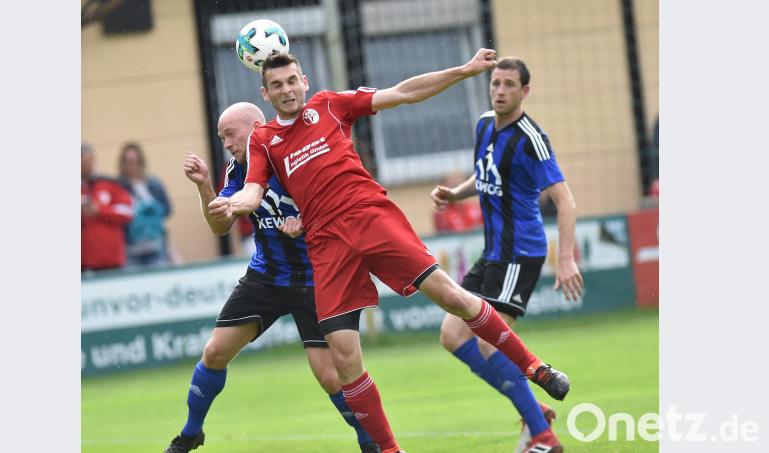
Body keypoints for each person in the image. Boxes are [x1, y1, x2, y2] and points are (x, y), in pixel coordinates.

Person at [218, 49, 570, 453]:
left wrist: (465, 70)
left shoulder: (330, 105)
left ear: (304, 81)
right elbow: (252, 189)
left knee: (450, 295)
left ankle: (534, 367)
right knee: (344, 355)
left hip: (369, 216)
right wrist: (235, 204)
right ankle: (390, 450)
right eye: (277, 85)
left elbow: (402, 92)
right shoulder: (264, 139)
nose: (286, 90)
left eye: (292, 81)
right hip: (327, 243)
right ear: (266, 93)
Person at [163, 103, 376, 453]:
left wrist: (306, 223)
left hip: (316, 277)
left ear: (257, 125)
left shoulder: (295, 157)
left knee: (329, 375)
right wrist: (204, 187)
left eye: (230, 134)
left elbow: (338, 203)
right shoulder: (237, 171)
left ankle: (370, 442)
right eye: (221, 137)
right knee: (215, 351)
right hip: (267, 276)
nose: (226, 143)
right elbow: (221, 225)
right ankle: (191, 433)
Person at [430, 57, 583, 453]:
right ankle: (535, 411)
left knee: (488, 343)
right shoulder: (484, 124)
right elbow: (484, 177)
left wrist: (565, 258)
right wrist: (455, 193)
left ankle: (543, 436)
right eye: (495, 83)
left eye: (509, 85)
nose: (500, 91)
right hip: (493, 253)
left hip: (520, 254)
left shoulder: (531, 138)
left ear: (524, 91)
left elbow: (565, 201)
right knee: (451, 334)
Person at [118, 141, 173, 267]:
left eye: (135, 161)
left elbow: (167, 209)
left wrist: (150, 210)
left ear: (141, 161)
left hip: (155, 245)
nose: (133, 166)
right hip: (131, 248)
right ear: (123, 164)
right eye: (129, 162)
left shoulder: (153, 184)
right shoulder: (119, 186)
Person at [81, 142, 133, 271]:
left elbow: (128, 212)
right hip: (83, 263)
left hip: (111, 261)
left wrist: (100, 211)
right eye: (81, 162)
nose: (85, 166)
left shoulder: (109, 184)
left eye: (87, 161)